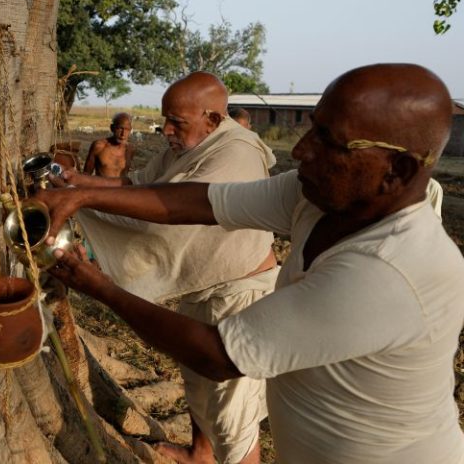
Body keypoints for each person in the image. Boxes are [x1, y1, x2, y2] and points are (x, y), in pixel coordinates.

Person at [38, 63, 464, 464]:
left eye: (328, 141)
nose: (300, 150)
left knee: (232, 419)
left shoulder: (388, 271)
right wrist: (82, 194)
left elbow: (218, 354)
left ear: (398, 170)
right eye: (311, 128)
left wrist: (101, 287)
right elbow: (204, 201)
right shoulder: (318, 198)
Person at [57, 72, 279, 464]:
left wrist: (82, 199)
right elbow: (140, 185)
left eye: (177, 122)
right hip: (203, 285)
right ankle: (200, 453)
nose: (167, 130)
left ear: (212, 120)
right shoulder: (184, 145)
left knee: (233, 414)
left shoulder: (237, 153)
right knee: (196, 376)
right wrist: (77, 182)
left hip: (239, 295)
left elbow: (170, 212)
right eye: (165, 120)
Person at [83, 112, 137, 178]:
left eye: (127, 129)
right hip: (102, 184)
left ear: (130, 130)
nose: (123, 134)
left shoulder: (130, 149)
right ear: (112, 128)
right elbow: (86, 174)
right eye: (120, 128)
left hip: (121, 184)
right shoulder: (99, 146)